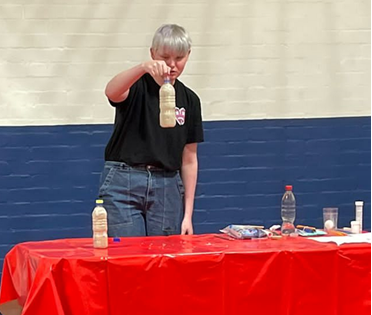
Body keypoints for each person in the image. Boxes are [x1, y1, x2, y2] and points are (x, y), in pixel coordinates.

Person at [97, 24, 204, 237]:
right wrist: (142, 68)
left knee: (163, 259)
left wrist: (188, 215)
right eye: (165, 57)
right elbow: (111, 91)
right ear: (153, 54)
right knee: (128, 257)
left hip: (167, 183)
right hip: (124, 179)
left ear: (188, 56)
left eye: (179, 58)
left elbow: (189, 159)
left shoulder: (190, 100)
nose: (172, 65)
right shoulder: (136, 86)